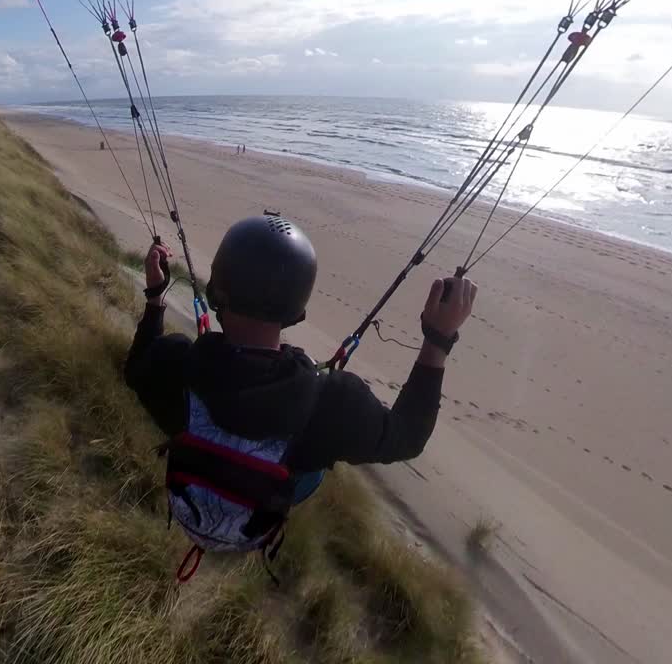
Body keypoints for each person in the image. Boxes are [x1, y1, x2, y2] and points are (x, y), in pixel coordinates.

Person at [124, 213, 476, 570]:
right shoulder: (333, 402)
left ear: (216, 292)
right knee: (312, 459)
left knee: (183, 408)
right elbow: (408, 437)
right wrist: (438, 339)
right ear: (297, 311)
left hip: (191, 496)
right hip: (258, 519)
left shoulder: (175, 362)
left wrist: (155, 298)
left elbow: (136, 367)